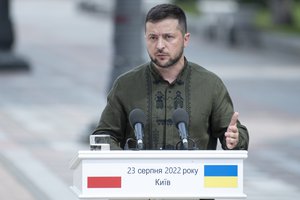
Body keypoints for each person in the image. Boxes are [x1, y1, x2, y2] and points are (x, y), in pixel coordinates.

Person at [92, 4, 249, 151]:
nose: (160, 45)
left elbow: (234, 134)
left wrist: (235, 139)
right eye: (153, 37)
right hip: (138, 178)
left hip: (195, 178)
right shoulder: (126, 85)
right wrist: (125, 163)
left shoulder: (210, 85)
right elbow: (102, 138)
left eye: (168, 37)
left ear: (185, 39)